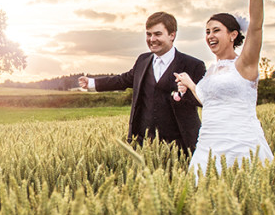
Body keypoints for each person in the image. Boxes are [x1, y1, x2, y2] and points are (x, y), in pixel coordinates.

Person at [175, 0, 274, 177]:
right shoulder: (211, 70)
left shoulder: (244, 64)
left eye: (216, 30)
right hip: (207, 146)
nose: (210, 35)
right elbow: (208, 99)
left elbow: (256, 27)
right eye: (207, 31)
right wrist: (191, 84)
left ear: (233, 35)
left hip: (241, 144)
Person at [79, 12, 206, 154]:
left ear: (172, 35)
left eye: (157, 34)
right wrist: (91, 83)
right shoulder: (142, 60)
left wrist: (186, 91)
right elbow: (123, 80)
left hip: (181, 146)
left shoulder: (193, 65)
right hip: (143, 144)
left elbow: (204, 100)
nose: (152, 39)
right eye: (148, 34)